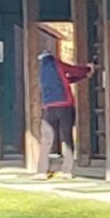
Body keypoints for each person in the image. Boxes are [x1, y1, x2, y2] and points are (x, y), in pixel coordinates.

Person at [37, 38, 93, 178]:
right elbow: (73, 71)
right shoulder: (57, 64)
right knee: (66, 137)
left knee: (46, 139)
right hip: (65, 105)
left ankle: (42, 171)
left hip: (48, 107)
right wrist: (87, 69)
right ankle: (67, 170)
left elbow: (64, 80)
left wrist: (83, 76)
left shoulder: (41, 70)